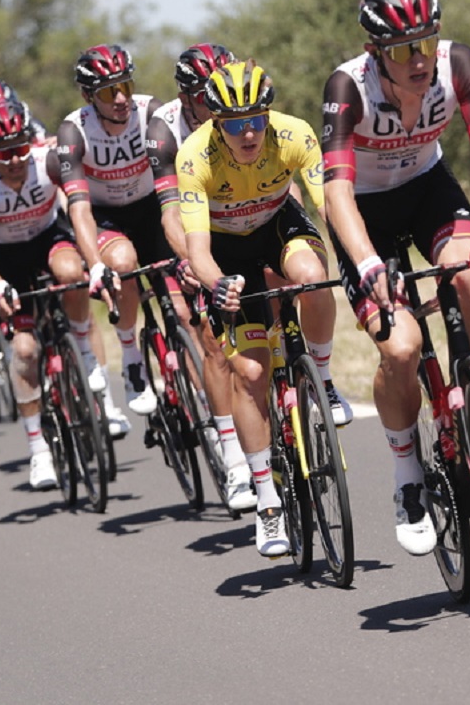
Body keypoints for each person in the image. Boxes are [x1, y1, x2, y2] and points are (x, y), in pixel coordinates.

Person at [321, 0, 470, 557]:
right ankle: (407, 476)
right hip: (364, 210)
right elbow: (336, 192)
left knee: (468, 274)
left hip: (428, 187)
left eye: (425, 42)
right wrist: (365, 263)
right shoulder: (348, 87)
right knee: (402, 348)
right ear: (374, 52)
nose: (418, 59)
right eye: (401, 49)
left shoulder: (455, 62)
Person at [177, 60, 340, 556]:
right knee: (249, 373)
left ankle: (326, 381)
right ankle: (267, 500)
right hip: (228, 251)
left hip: (277, 227)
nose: (248, 133)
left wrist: (356, 257)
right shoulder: (194, 157)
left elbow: (331, 204)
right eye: (234, 123)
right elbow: (199, 252)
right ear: (215, 122)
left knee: (312, 278)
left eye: (255, 119)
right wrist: (216, 282)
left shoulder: (295, 134)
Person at [0, 101, 110, 489]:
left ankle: (85, 351)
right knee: (25, 351)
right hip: (4, 258)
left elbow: (78, 212)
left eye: (21, 147)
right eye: (4, 153)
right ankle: (38, 450)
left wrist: (94, 262)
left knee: (70, 273)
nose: (15, 159)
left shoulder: (47, 161)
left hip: (47, 238)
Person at [145, 43, 256, 511]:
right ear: (185, 97)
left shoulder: (240, 105)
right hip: (192, 227)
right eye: (203, 97)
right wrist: (191, 260)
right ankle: (232, 454)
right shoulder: (163, 130)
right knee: (210, 335)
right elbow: (171, 215)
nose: (215, 105)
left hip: (242, 212)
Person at [57, 43, 168, 423]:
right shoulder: (74, 130)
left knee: (183, 310)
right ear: (89, 96)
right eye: (108, 91)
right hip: (106, 215)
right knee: (122, 263)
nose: (121, 98)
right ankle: (132, 358)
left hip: (151, 206)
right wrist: (94, 265)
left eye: (126, 85)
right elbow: (79, 208)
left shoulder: (152, 111)